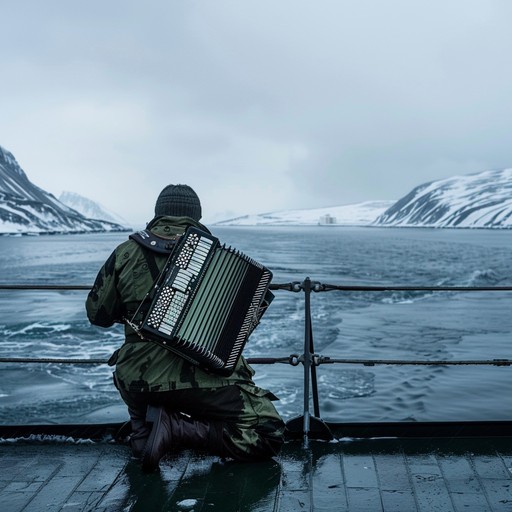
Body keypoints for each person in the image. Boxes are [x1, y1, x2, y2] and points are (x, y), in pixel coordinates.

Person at [86, 184, 285, 472]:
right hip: (200, 382)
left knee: (143, 443)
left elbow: (97, 315)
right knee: (269, 434)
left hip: (136, 380)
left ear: (157, 214)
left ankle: (147, 431)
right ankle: (177, 429)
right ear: (197, 216)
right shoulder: (219, 260)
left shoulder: (125, 253)